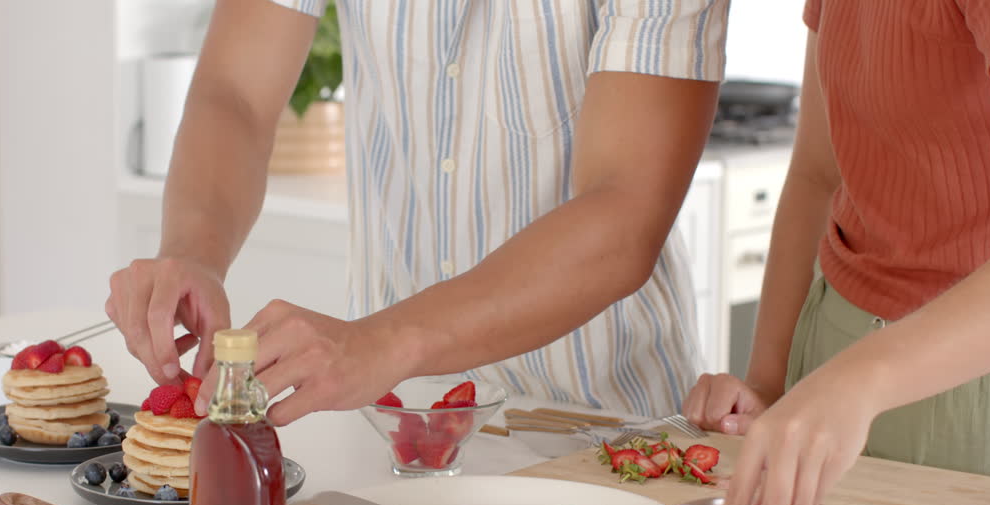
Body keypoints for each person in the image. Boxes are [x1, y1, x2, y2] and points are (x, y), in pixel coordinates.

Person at [106, 0, 731, 427]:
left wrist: (380, 342)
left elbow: (623, 214)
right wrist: (191, 250)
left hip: (598, 423)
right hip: (399, 424)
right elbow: (235, 93)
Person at [683, 0, 990, 505]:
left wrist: (857, 383)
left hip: (971, 385)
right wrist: (769, 386)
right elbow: (816, 174)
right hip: (830, 357)